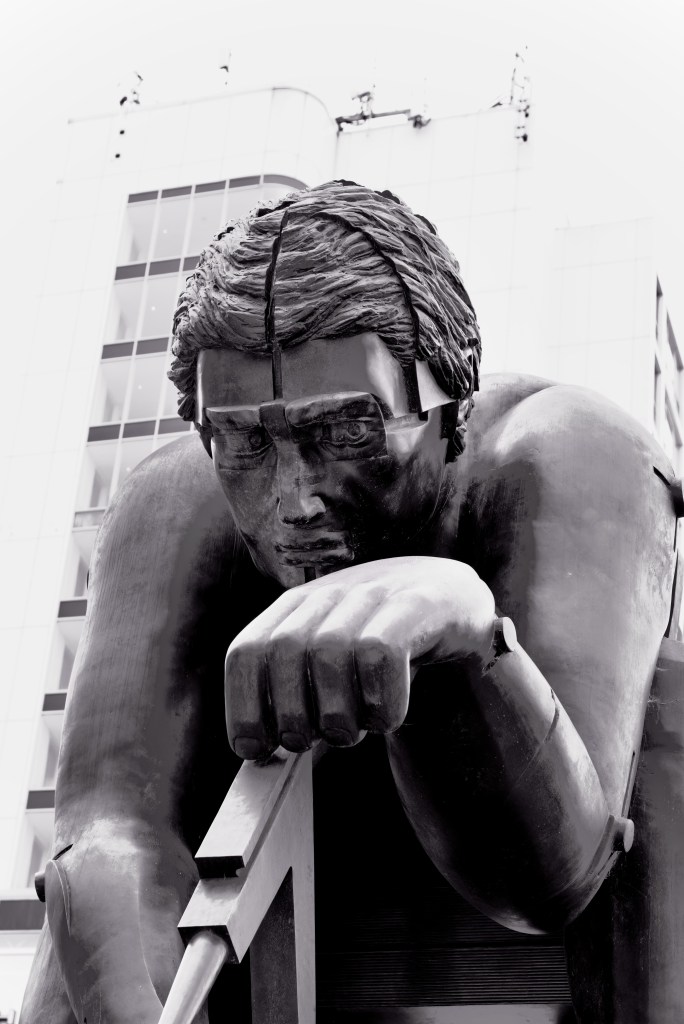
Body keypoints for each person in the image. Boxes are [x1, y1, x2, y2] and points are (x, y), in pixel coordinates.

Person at [22, 181, 677, 1023]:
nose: (293, 501)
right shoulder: (176, 499)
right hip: (299, 885)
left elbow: (556, 875)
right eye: (245, 442)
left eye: (345, 433)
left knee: (669, 708)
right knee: (83, 908)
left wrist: (460, 629)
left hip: (544, 876)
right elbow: (114, 820)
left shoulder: (570, 454)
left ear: (450, 412)